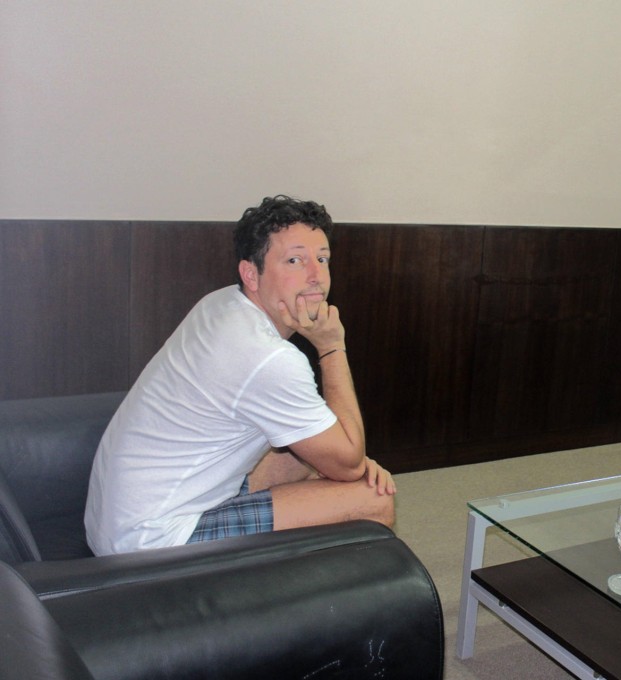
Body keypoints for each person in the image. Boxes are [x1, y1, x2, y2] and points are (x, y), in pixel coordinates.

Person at [86, 195, 395, 555]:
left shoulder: (220, 303)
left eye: (322, 259)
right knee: (374, 499)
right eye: (295, 260)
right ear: (251, 273)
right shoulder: (268, 358)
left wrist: (343, 458)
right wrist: (331, 348)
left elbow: (341, 457)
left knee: (314, 459)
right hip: (151, 542)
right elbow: (349, 464)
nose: (316, 276)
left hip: (116, 521)